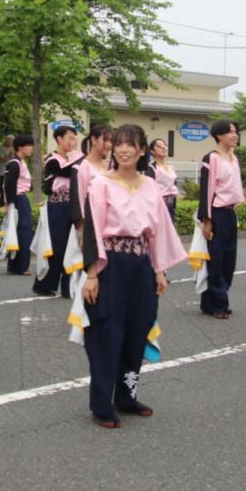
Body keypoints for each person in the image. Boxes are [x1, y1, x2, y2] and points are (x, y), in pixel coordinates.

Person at [80, 124, 185, 427]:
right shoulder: (100, 184)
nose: (123, 149)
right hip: (109, 263)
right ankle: (102, 403)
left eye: (131, 144)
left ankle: (126, 396)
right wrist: (91, 275)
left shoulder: (150, 185)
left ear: (142, 151)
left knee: (137, 330)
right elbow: (93, 230)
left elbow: (159, 230)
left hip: (141, 265)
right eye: (119, 143)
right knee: (106, 333)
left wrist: (159, 270)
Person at [198, 119, 244, 319]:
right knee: (216, 260)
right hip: (216, 213)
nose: (235, 135)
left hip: (230, 212)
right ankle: (218, 304)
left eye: (236, 132)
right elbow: (206, 190)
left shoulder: (233, 157)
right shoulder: (212, 158)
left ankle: (211, 302)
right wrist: (206, 220)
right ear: (219, 135)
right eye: (230, 132)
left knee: (228, 259)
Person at [32, 125, 81, 298]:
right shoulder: (52, 159)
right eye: (70, 138)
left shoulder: (74, 159)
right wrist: (82, 158)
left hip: (73, 205)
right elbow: (66, 171)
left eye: (75, 138)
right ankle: (45, 285)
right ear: (59, 139)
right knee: (57, 246)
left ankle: (69, 286)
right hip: (58, 207)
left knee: (73, 245)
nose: (73, 142)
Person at [70, 125, 114, 233]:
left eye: (111, 141)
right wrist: (82, 228)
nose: (109, 145)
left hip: (110, 225)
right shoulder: (81, 167)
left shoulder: (111, 167)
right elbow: (78, 201)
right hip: (90, 225)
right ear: (94, 140)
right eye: (106, 140)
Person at [2, 134, 35, 275]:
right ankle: (21, 266)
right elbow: (8, 185)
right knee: (23, 232)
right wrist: (8, 204)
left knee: (18, 231)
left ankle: (15, 266)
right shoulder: (15, 163)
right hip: (18, 200)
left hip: (21, 198)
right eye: (28, 145)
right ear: (20, 147)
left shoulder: (21, 162)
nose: (31, 148)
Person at [147, 138, 179, 221]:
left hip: (171, 205)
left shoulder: (171, 168)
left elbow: (174, 186)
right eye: (159, 146)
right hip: (158, 206)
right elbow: (149, 191)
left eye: (165, 145)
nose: (163, 147)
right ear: (152, 151)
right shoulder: (151, 168)